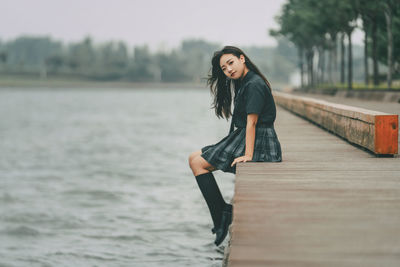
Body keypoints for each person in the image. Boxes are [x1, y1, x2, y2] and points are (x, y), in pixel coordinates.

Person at [188, 46, 282, 246]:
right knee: (193, 158)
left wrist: (248, 155)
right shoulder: (242, 82)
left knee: (198, 164)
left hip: (260, 140)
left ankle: (221, 214)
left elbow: (252, 123)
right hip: (247, 136)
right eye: (224, 68)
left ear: (242, 59)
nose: (228, 70)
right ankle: (221, 212)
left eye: (231, 63)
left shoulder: (254, 83)